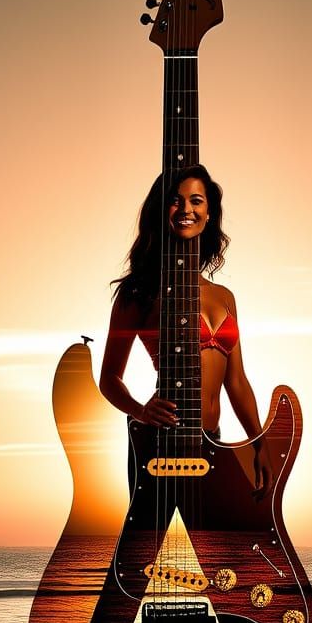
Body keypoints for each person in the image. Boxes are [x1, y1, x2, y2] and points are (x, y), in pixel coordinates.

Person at [98, 164, 274, 491]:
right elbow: (108, 378)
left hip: (213, 442)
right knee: (153, 541)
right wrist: (140, 410)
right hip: (161, 442)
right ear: (161, 210)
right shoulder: (139, 292)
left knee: (213, 540)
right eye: (176, 201)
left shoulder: (225, 297)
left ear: (209, 213)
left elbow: (236, 382)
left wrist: (259, 442)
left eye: (196, 201)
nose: (186, 210)